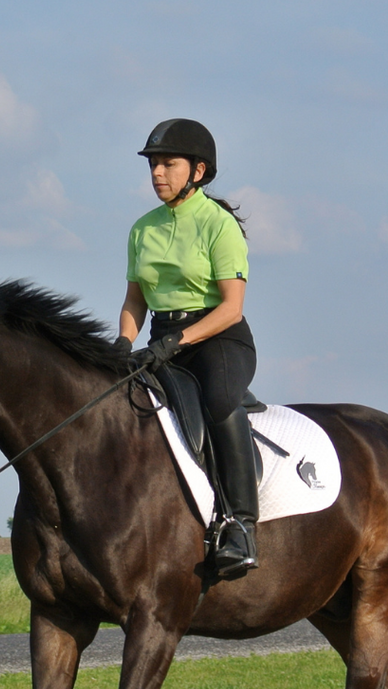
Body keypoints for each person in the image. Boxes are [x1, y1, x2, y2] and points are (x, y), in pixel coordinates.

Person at [118, 118, 259, 578]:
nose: (158, 173)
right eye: (153, 165)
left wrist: (175, 342)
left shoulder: (219, 226)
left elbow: (231, 309)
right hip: (161, 342)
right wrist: (123, 343)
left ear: (197, 171)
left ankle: (240, 524)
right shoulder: (142, 230)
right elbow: (134, 301)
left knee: (219, 401)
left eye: (168, 164)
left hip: (217, 340)